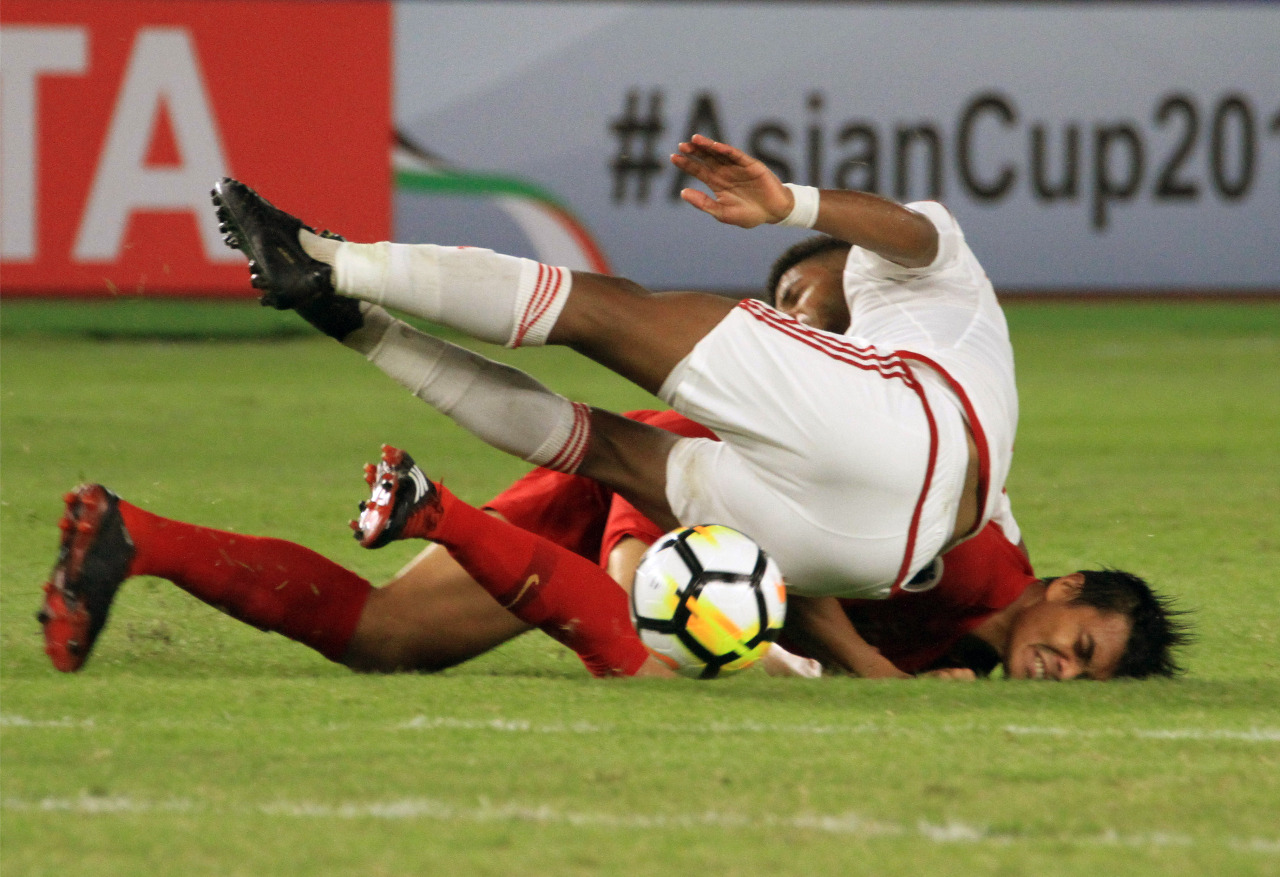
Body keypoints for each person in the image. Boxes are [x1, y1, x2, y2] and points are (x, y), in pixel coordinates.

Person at [207, 134, 1187, 679]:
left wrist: (791, 202)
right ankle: (356, 324)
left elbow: (913, 231)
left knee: (605, 314)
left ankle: (332, 260)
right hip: (860, 551)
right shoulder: (956, 383)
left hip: (896, 449)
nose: (1063, 667)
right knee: (596, 447)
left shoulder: (930, 290)